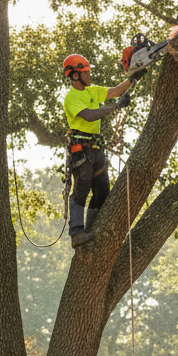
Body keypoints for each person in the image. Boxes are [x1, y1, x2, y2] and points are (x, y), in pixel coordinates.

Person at [61, 54, 135, 248]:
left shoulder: (93, 90)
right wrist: (115, 107)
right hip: (79, 148)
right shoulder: (71, 98)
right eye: (86, 72)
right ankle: (76, 232)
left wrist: (136, 74)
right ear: (75, 76)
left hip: (95, 147)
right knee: (83, 183)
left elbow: (118, 90)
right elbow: (89, 115)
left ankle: (91, 230)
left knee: (102, 188)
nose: (89, 75)